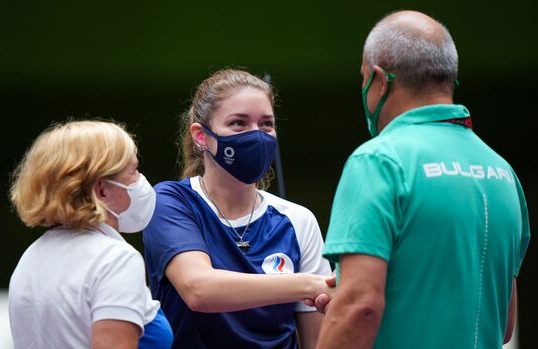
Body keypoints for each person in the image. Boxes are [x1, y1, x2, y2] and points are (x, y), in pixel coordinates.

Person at [316, 10, 530, 349]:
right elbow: (503, 324)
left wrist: (347, 306)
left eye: (362, 80)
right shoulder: (504, 173)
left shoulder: (377, 161)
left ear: (379, 80)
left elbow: (360, 307)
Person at [142, 68, 333, 348]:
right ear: (201, 136)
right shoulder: (171, 201)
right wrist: (310, 284)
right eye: (238, 123)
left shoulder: (297, 219)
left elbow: (316, 342)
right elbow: (199, 290)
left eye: (266, 124)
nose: (256, 135)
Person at [8, 120, 173, 349]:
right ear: (102, 189)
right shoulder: (115, 259)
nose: (140, 179)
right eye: (133, 170)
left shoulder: (30, 257)